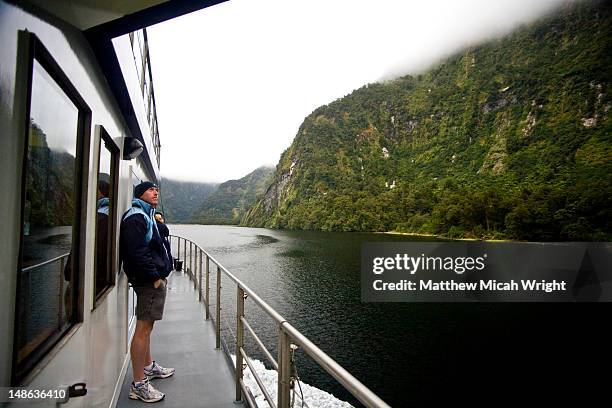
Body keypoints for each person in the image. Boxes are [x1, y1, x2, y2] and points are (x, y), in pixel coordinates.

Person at [120, 181, 174, 403]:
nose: (156, 193)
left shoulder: (146, 214)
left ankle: (148, 367)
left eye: (156, 190)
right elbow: (136, 252)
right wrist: (154, 278)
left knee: (147, 327)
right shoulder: (135, 217)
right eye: (151, 190)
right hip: (148, 282)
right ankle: (139, 384)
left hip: (151, 281)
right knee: (143, 328)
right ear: (140, 193)